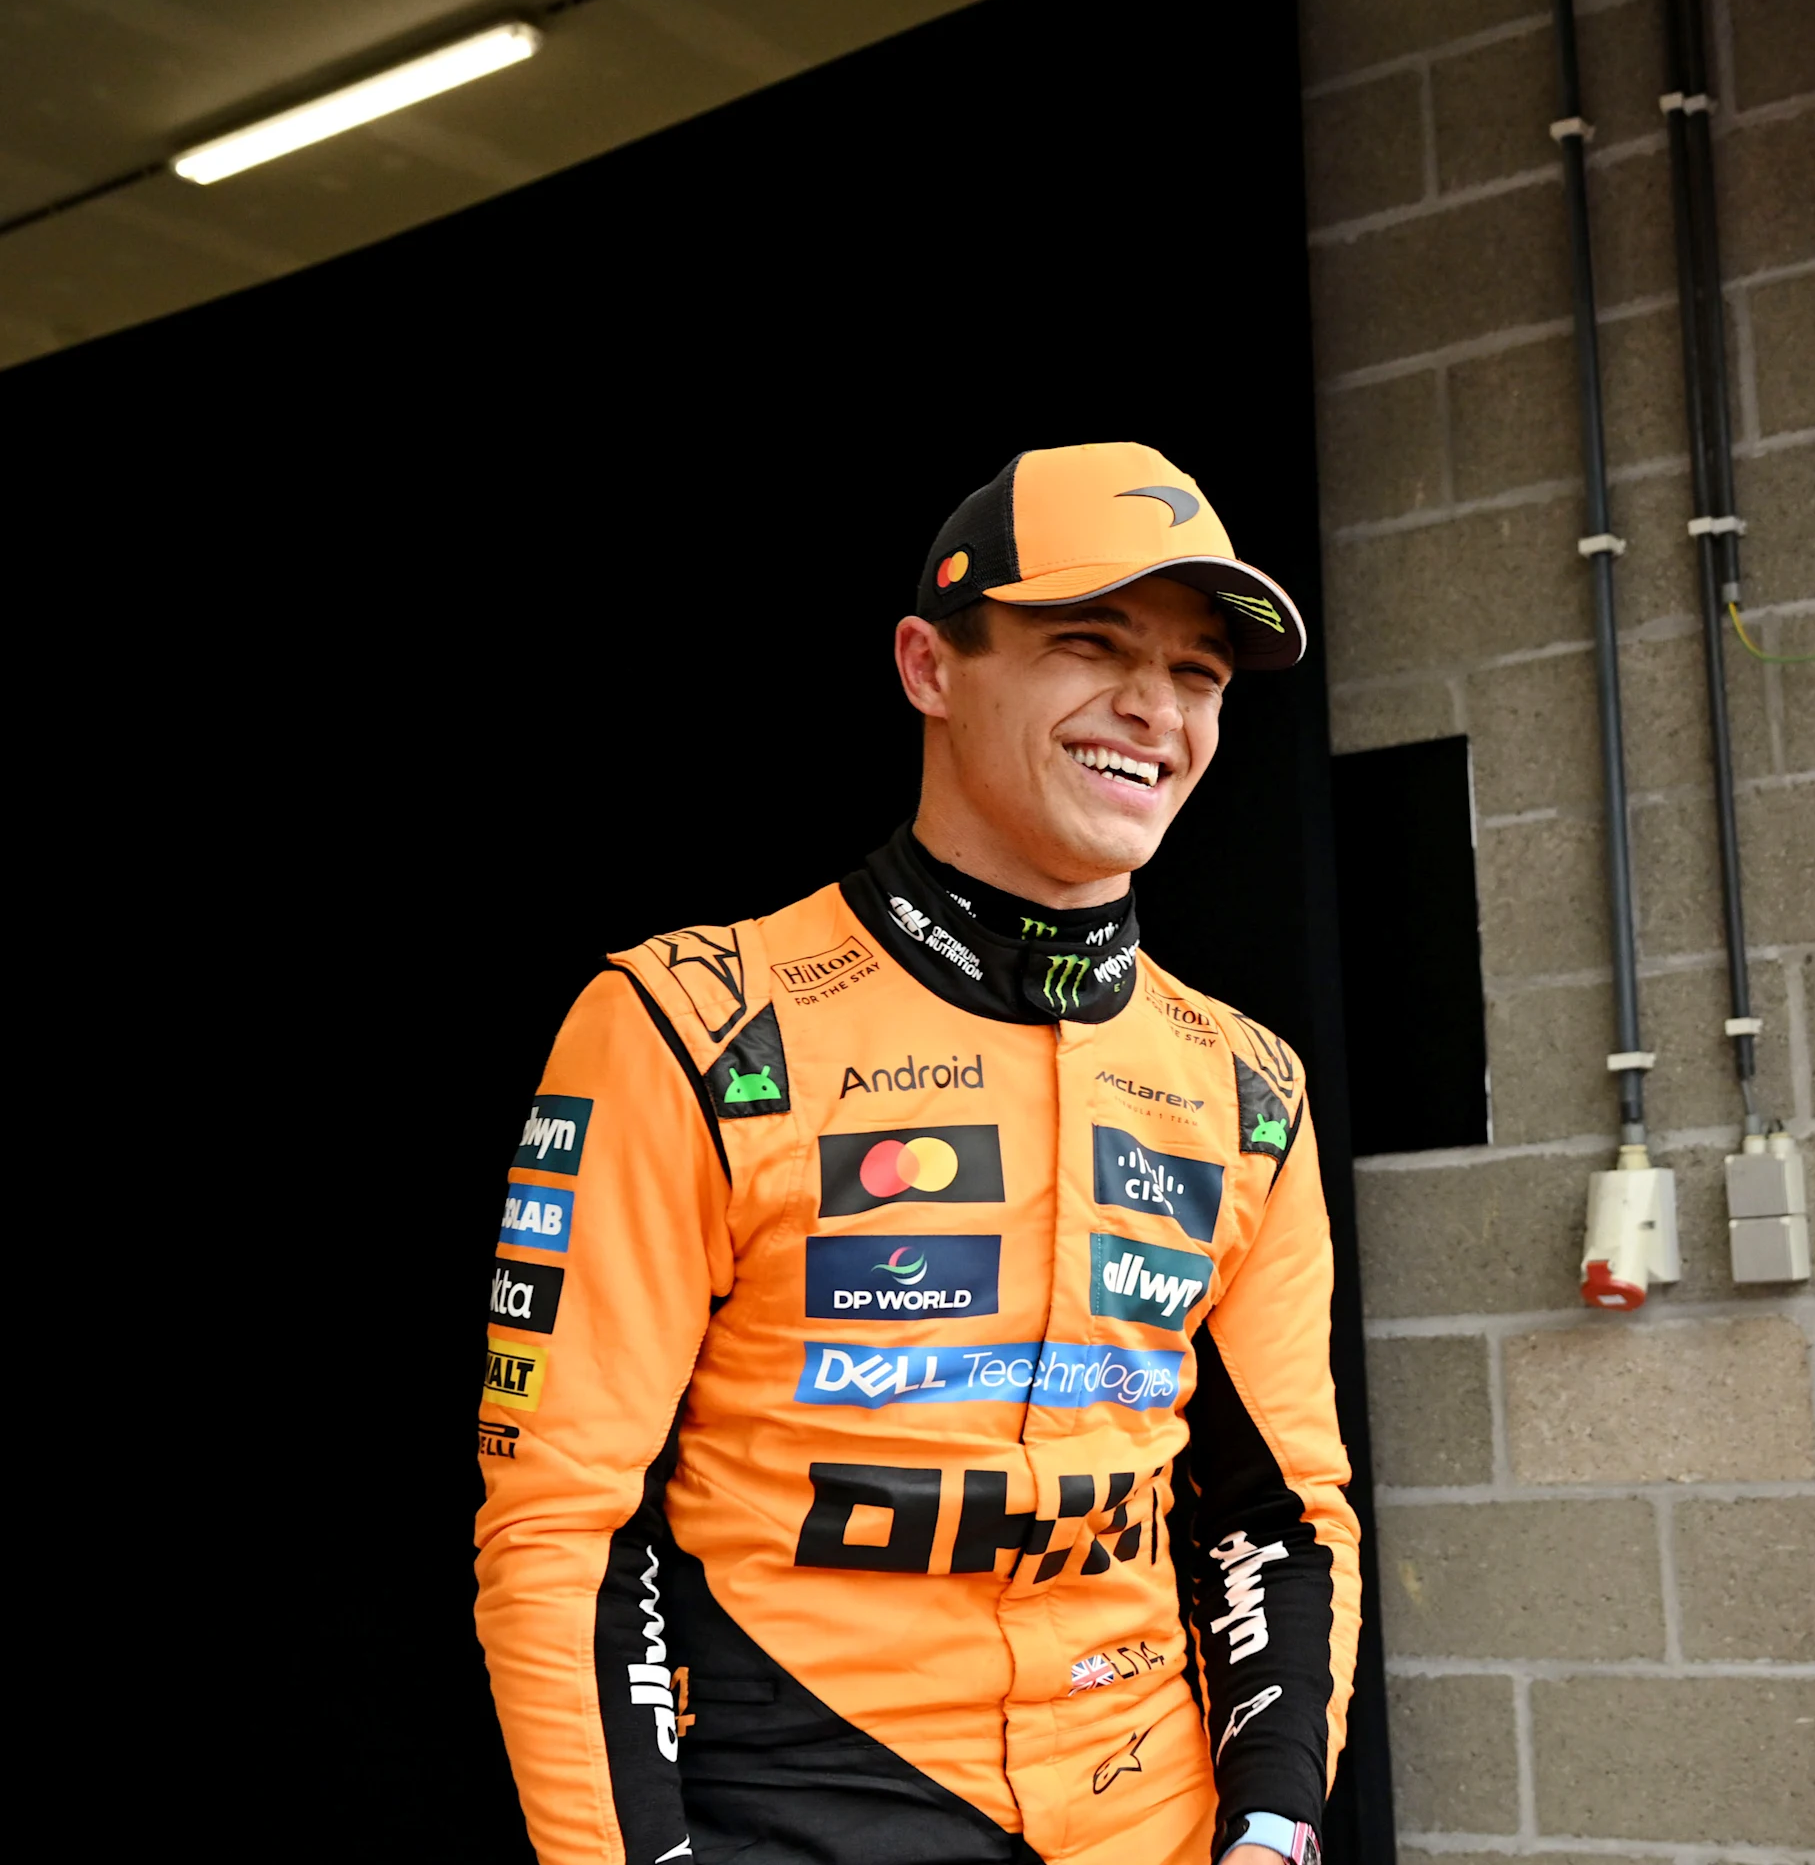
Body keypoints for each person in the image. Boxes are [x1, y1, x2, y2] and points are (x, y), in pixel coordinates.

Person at [474, 443, 1358, 1865]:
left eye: (1199, 674)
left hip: (1154, 1813)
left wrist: (1274, 1827)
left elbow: (1280, 1511)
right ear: (929, 666)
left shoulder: (1249, 1083)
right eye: (1090, 642)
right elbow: (568, 1523)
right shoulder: (687, 1022)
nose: (1155, 706)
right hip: (798, 1801)